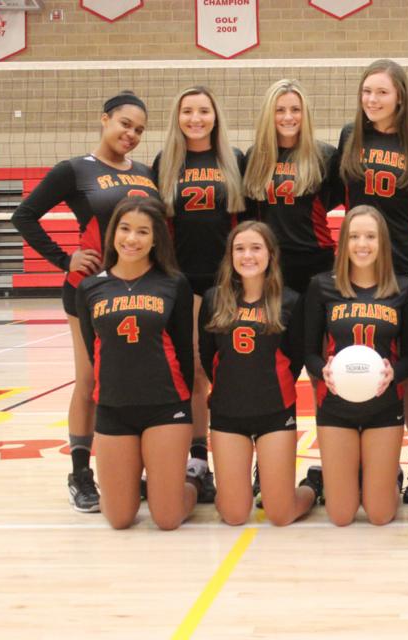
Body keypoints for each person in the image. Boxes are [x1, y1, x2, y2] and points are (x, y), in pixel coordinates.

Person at [11, 91, 158, 513]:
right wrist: (63, 258)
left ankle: (136, 469)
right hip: (89, 290)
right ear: (104, 119)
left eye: (139, 130)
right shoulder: (75, 170)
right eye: (125, 124)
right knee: (90, 380)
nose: (131, 134)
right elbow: (23, 215)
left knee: (136, 377)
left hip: (141, 291)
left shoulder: (148, 173)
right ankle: (80, 473)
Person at [333, 59, 408, 503]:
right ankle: (366, 464)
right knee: (361, 361)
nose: (373, 100)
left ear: (400, 95)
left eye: (381, 92)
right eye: (366, 92)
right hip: (360, 263)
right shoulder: (349, 137)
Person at [75, 197, 196, 530]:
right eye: (125, 229)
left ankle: (189, 486)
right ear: (113, 232)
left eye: (143, 232)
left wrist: (181, 402)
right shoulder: (89, 287)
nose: (132, 239)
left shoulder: (174, 283)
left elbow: (185, 351)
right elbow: (92, 349)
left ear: (156, 238)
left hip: (165, 407)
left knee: (167, 518)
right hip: (114, 407)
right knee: (118, 518)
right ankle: (147, 485)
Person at [153, 86, 247, 503]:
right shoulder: (165, 163)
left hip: (227, 281)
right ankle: (197, 458)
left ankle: (240, 454)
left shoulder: (234, 160)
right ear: (177, 117)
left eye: (203, 111)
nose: (195, 118)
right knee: (192, 371)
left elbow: (248, 221)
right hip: (182, 281)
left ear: (215, 116)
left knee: (229, 369)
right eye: (187, 111)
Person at [198, 221, 318, 526]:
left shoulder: (290, 301)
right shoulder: (214, 299)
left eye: (255, 248)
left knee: (280, 514)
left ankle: (313, 486)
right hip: (228, 414)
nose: (247, 256)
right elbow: (208, 354)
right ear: (230, 256)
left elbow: (296, 358)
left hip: (275, 413)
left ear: (270, 255)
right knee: (235, 515)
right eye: (240, 249)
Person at [303, 205, 408, 526]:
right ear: (343, 241)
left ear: (382, 242)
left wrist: (396, 372)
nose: (362, 244)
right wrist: (320, 370)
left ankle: (387, 478)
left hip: (384, 406)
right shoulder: (322, 286)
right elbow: (309, 352)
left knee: (379, 514)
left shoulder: (401, 288)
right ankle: (314, 482)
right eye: (354, 236)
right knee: (341, 515)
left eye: (370, 236)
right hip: (335, 406)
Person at [244, 79, 339, 295]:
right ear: (270, 114)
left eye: (295, 109)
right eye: (280, 110)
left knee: (312, 327)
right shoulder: (255, 157)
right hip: (270, 260)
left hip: (315, 259)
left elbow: (348, 199)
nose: (288, 117)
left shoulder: (325, 156)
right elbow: (248, 212)